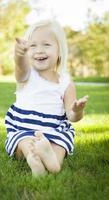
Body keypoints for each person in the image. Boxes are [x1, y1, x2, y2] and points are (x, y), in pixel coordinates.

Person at [5, 20, 88, 177]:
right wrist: (19, 55)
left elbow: (72, 117)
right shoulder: (27, 75)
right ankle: (34, 159)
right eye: (33, 45)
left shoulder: (66, 83)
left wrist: (77, 110)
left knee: (60, 145)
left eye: (46, 45)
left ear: (60, 51)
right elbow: (20, 68)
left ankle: (52, 160)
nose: (39, 50)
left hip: (54, 131)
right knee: (24, 144)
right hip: (25, 130)